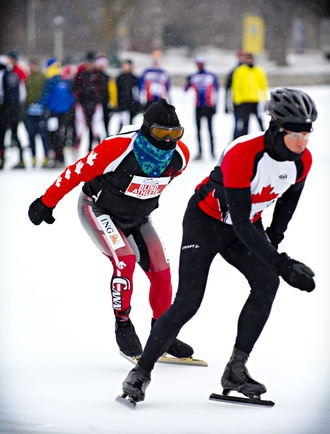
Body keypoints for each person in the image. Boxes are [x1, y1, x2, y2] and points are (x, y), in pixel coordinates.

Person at [119, 88, 317, 404]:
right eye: (296, 134)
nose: (303, 141)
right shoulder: (243, 153)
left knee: (267, 282)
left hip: (246, 226)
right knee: (188, 302)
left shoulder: (302, 161)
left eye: (308, 133)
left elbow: (284, 209)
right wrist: (281, 262)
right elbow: (238, 220)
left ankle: (236, 370)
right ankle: (140, 372)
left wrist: (274, 250)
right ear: (277, 128)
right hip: (205, 222)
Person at [28, 98, 194, 360]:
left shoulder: (180, 157)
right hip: (97, 209)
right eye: (161, 133)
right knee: (125, 261)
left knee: (161, 272)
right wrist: (46, 203)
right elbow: (75, 172)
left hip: (137, 217)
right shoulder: (116, 148)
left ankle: (163, 333)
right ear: (146, 129)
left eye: (175, 134)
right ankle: (123, 324)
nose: (167, 141)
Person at [38, 58, 75, 168]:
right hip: (64, 113)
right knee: (59, 135)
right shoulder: (64, 80)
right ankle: (60, 158)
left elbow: (45, 97)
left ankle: (57, 157)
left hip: (52, 113)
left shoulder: (49, 80)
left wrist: (41, 105)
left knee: (53, 135)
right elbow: (71, 98)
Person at [184, 56, 219, 160]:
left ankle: (212, 152)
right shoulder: (193, 76)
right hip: (198, 106)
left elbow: (216, 91)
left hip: (208, 106)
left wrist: (215, 105)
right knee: (198, 130)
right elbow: (185, 89)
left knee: (210, 130)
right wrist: (188, 81)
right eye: (198, 63)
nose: (200, 65)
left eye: (201, 63)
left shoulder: (211, 76)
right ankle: (200, 152)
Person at [72, 51, 108, 152]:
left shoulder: (99, 74)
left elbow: (103, 88)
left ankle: (98, 147)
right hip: (83, 104)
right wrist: (80, 94)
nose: (89, 65)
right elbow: (75, 87)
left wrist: (96, 95)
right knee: (81, 126)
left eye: (91, 63)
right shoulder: (81, 74)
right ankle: (79, 147)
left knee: (96, 127)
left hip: (95, 104)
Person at [231, 52, 268, 139]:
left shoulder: (258, 71)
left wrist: (265, 99)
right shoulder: (240, 71)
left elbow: (263, 86)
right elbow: (236, 86)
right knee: (245, 123)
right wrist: (237, 100)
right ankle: (244, 139)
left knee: (260, 121)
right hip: (244, 101)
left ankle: (265, 137)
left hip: (255, 100)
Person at [23, 57, 50, 168]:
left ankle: (46, 156)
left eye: (32, 65)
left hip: (41, 109)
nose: (31, 67)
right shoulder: (28, 78)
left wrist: (42, 103)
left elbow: (46, 91)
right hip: (30, 109)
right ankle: (33, 157)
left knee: (43, 134)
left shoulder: (43, 77)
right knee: (31, 134)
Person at [0, 55, 25, 169]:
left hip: (5, 109)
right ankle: (21, 159)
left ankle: (2, 159)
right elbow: (22, 94)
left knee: (3, 135)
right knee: (15, 134)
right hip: (15, 109)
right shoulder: (14, 75)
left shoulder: (3, 75)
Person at [224, 49, 246, 138]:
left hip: (248, 101)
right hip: (237, 101)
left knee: (245, 123)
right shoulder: (234, 71)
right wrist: (226, 104)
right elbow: (227, 88)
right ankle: (236, 141)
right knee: (238, 123)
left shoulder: (251, 70)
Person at [115, 59, 140, 131]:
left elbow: (136, 92)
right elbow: (117, 91)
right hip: (122, 103)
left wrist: (136, 104)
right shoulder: (120, 77)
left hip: (131, 104)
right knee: (122, 122)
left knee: (130, 124)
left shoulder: (134, 77)